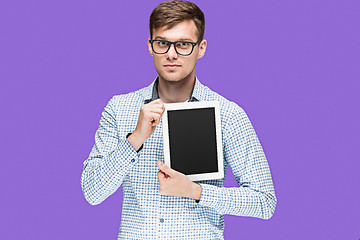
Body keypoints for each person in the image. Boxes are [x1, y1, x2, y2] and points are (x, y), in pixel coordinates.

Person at [81, 1, 277, 239]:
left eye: (183, 44)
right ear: (150, 46)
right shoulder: (119, 108)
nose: (171, 54)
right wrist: (134, 140)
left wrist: (196, 192)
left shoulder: (228, 114)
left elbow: (264, 201)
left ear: (201, 48)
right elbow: (92, 192)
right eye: (163, 43)